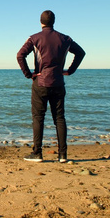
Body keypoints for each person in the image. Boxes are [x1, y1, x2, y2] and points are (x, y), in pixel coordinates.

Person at [17, 10, 85, 163]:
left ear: (41, 22)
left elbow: (20, 55)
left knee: (38, 118)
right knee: (59, 118)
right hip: (58, 82)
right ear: (53, 22)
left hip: (40, 83)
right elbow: (81, 53)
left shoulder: (34, 38)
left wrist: (29, 74)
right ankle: (62, 155)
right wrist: (70, 71)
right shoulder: (65, 39)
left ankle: (37, 153)